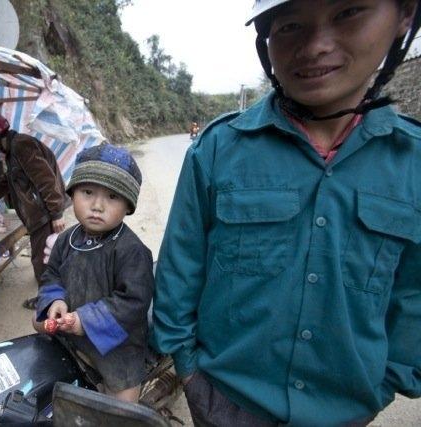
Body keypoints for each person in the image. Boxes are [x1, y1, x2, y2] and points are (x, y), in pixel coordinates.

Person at [153, 1, 421, 426]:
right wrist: (189, 371)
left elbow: (413, 298)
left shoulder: (415, 163)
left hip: (345, 412)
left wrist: (387, 383)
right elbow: (178, 274)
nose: (316, 46)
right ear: (267, 40)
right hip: (224, 402)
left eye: (348, 12)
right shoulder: (217, 149)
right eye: (292, 24)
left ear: (404, 17)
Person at [32, 143, 154, 403]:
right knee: (37, 322)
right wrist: (56, 300)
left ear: (127, 206)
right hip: (70, 329)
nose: (97, 206)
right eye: (88, 192)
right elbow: (51, 274)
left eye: (112, 197)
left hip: (116, 342)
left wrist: (84, 321)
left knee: (121, 404)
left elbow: (133, 301)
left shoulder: (132, 250)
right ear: (72, 193)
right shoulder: (66, 240)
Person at [0, 111, 67, 309]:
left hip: (43, 213)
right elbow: (8, 180)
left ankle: (48, 301)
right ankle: (53, 295)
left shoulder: (21, 146)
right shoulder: (13, 151)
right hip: (40, 214)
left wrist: (56, 213)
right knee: (45, 257)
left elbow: (46, 179)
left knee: (42, 260)